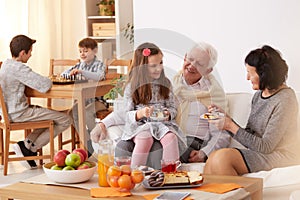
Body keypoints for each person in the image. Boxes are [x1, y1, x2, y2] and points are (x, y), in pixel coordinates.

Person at [90, 42, 231, 169]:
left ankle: (157, 183)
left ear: (208, 70)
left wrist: (204, 153)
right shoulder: (171, 83)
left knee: (156, 148)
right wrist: (103, 124)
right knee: (123, 145)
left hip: (188, 140)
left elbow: (221, 133)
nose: (191, 65)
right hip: (154, 129)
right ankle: (121, 183)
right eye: (190, 59)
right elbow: (128, 111)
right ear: (184, 57)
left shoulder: (213, 94)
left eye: (199, 63)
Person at [204, 45, 300, 176]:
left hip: (282, 155)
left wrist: (230, 126)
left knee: (223, 158)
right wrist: (226, 121)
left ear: (264, 74)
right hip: (261, 153)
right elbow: (250, 136)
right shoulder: (258, 96)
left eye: (250, 73)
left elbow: (266, 146)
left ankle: (240, 196)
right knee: (212, 159)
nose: (247, 78)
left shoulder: (285, 99)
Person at [0, 35, 71, 169]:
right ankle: (31, 148)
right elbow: (44, 85)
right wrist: (49, 78)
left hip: (7, 113)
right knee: (65, 119)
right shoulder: (19, 68)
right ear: (22, 53)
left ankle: (26, 145)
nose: (31, 54)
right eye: (30, 51)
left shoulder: (5, 65)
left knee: (50, 117)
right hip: (19, 113)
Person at [120, 42, 186, 167]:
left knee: (171, 138)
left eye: (160, 63)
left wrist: (168, 114)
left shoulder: (166, 83)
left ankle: (171, 175)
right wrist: (140, 113)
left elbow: (173, 107)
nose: (158, 68)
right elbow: (126, 114)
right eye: (153, 66)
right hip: (141, 125)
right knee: (145, 140)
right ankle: (135, 174)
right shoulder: (132, 87)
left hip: (162, 124)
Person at [61, 37, 107, 157]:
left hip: (99, 101)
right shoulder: (79, 65)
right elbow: (63, 74)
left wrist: (82, 73)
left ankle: (94, 137)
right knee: (73, 112)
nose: (82, 54)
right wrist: (70, 74)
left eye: (86, 51)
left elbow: (99, 76)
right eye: (80, 51)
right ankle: (86, 141)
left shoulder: (99, 65)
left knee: (86, 113)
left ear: (95, 51)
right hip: (83, 100)